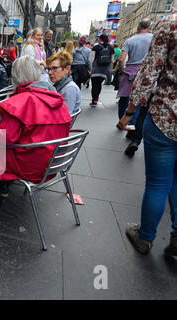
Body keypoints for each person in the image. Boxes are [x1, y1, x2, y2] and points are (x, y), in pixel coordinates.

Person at [0, 55, 72, 206]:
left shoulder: (21, 102)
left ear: (15, 77)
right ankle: (1, 187)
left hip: (30, 166)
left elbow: (4, 139)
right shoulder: (57, 99)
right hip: (53, 163)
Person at [119, 14, 176, 257]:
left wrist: (128, 114)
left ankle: (145, 237)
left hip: (167, 117)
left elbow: (148, 75)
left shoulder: (170, 24)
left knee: (158, 183)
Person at [116, 18, 153, 154]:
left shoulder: (130, 40)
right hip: (147, 74)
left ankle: (123, 122)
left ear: (138, 27)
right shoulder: (154, 39)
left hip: (129, 73)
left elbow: (121, 59)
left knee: (124, 99)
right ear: (150, 27)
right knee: (142, 105)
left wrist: (121, 71)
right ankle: (134, 133)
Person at [89, 34, 114, 106]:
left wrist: (90, 69)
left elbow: (92, 59)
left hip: (96, 68)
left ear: (100, 39)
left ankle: (94, 100)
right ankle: (96, 99)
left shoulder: (96, 47)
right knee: (99, 84)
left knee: (94, 84)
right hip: (105, 70)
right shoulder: (111, 48)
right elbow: (112, 60)